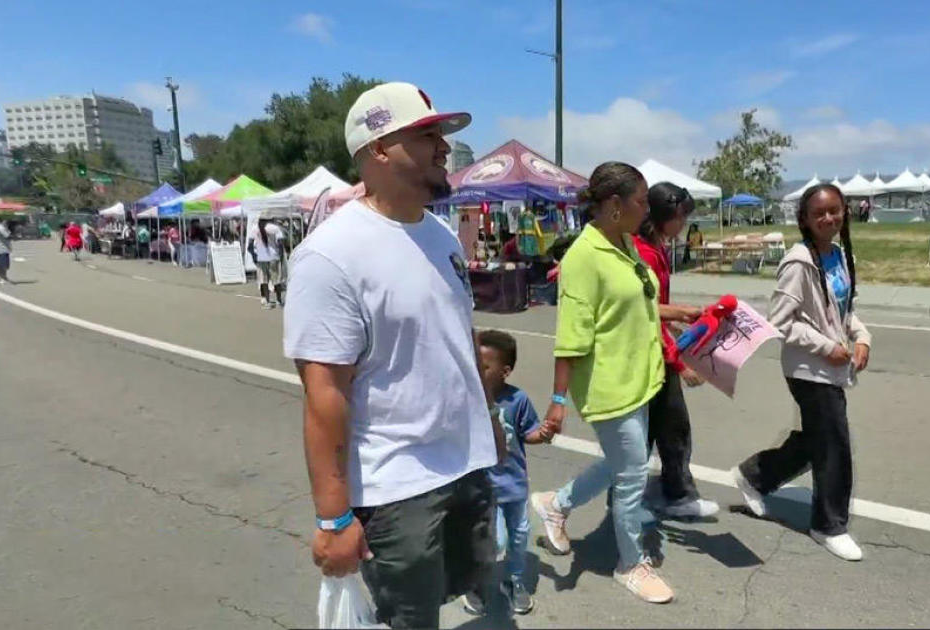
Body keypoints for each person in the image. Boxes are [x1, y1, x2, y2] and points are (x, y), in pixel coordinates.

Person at [283, 82, 505, 629]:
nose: (443, 148)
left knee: (460, 594)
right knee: (409, 618)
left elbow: (457, 336)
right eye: (427, 135)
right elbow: (324, 394)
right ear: (379, 149)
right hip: (395, 485)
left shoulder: (441, 235)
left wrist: (489, 418)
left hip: (465, 462)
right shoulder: (331, 256)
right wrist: (334, 519)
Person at [529, 161, 675, 604]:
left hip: (641, 377)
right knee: (632, 474)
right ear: (614, 205)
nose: (646, 209)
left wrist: (681, 313)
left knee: (621, 463)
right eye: (641, 201)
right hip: (609, 386)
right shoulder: (584, 258)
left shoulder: (626, 243)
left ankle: (557, 504)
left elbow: (635, 305)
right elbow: (571, 337)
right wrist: (557, 400)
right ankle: (630, 564)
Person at [731, 183, 872, 562]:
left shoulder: (837, 254)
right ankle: (828, 525)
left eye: (835, 210)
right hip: (809, 368)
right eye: (819, 213)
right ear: (805, 220)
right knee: (834, 445)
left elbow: (841, 310)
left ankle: (755, 476)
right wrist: (828, 347)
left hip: (833, 365)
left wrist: (862, 338)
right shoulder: (798, 262)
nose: (829, 218)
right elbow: (780, 321)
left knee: (817, 440)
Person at [632, 183, 719, 519]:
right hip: (651, 353)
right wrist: (678, 363)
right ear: (664, 215)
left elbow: (659, 310)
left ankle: (636, 497)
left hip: (656, 348)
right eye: (681, 217)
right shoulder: (645, 253)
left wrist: (679, 324)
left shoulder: (655, 247)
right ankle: (676, 495)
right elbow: (647, 313)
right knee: (670, 427)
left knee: (654, 430)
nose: (684, 224)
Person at [462, 330, 548, 617]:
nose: (478, 371)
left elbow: (529, 433)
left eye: (485, 367)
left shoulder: (517, 400)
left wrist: (544, 434)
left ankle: (514, 580)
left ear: (505, 371)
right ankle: (473, 581)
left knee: (519, 536)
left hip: (515, 486)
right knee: (495, 540)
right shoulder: (469, 398)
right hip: (485, 489)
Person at [248, 217, 286, 309]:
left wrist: (254, 256)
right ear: (271, 219)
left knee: (264, 280)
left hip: (261, 258)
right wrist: (281, 257)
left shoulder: (254, 229)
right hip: (274, 257)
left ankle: (267, 301)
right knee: (276, 280)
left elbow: (249, 246)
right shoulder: (275, 228)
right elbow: (280, 244)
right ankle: (278, 300)